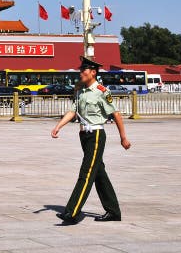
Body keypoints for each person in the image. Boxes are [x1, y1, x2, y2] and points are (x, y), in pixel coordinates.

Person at [51, 56, 132, 224]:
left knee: (86, 173)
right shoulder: (81, 91)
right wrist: (58, 127)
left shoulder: (102, 91)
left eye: (83, 70)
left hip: (96, 135)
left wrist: (123, 137)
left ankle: (71, 212)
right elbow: (73, 112)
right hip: (84, 136)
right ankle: (113, 212)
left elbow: (116, 114)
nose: (80, 73)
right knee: (98, 173)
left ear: (93, 72)